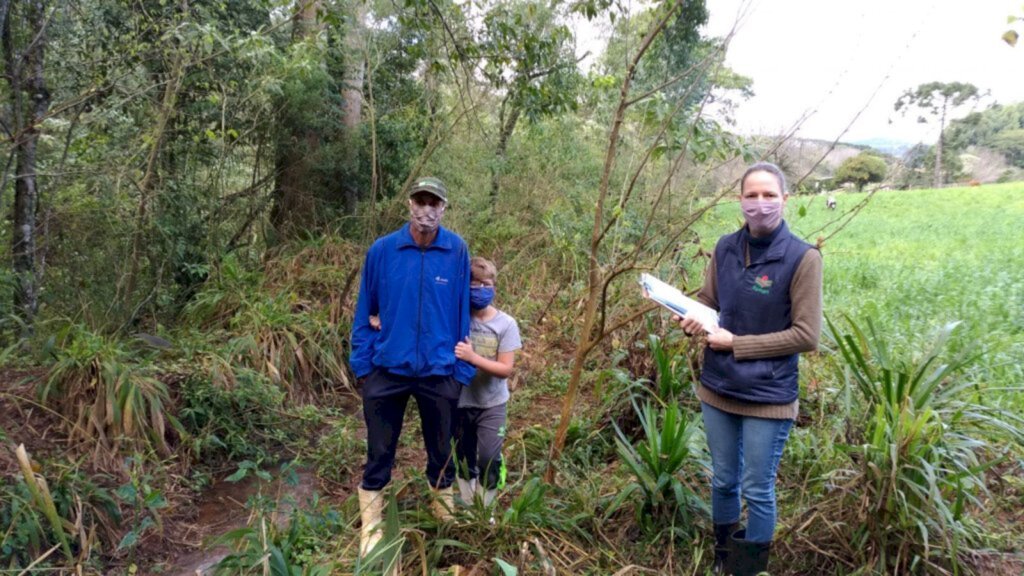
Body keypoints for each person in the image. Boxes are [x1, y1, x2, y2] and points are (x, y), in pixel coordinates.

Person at [676, 162, 822, 576]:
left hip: (768, 396)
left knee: (757, 488)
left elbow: (807, 336)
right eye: (751, 196)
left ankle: (749, 569)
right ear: (738, 200)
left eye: (769, 195)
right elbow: (709, 302)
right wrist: (692, 318)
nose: (760, 204)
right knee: (723, 480)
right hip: (718, 387)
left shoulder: (802, 258)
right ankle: (725, 561)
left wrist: (737, 344)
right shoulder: (724, 247)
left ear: (785, 199)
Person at [349, 176, 475, 560]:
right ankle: (372, 531)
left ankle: (444, 521)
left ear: (444, 208)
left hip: (439, 372)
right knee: (379, 450)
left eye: (434, 203)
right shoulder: (384, 250)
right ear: (409, 204)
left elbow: (462, 311)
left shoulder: (456, 250)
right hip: (388, 369)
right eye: (421, 201)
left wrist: (460, 372)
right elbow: (364, 308)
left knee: (441, 452)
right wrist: (363, 366)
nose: (427, 210)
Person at [452, 257, 522, 512]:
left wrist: (473, 358)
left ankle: (486, 511)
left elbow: (505, 369)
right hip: (460, 401)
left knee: (489, 457)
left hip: (492, 402)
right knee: (462, 457)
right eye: (474, 285)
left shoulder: (506, 324)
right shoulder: (457, 319)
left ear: (494, 287)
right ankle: (468, 507)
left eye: (486, 284)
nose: (480, 289)